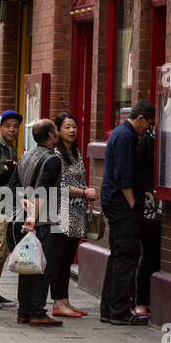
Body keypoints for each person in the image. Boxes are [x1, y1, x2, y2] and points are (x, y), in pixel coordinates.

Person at [99, 100, 156, 324]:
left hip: (114, 202)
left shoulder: (121, 134)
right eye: (148, 124)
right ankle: (119, 311)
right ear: (140, 118)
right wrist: (133, 204)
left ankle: (108, 310)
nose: (148, 129)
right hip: (121, 204)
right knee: (126, 257)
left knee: (117, 256)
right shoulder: (126, 137)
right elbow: (123, 175)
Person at [11, 119, 64, 326]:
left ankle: (23, 311)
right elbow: (43, 188)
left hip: (25, 221)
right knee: (42, 266)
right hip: (43, 221)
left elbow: (13, 184)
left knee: (26, 264)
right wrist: (34, 216)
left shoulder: (25, 156)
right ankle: (37, 312)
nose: (58, 133)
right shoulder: (53, 160)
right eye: (56, 131)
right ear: (51, 136)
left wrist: (22, 199)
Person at [49, 111, 96, 318]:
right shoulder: (57, 155)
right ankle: (57, 302)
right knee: (59, 257)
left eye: (74, 127)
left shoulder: (75, 153)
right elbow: (60, 186)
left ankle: (65, 300)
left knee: (68, 257)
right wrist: (85, 192)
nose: (72, 131)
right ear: (57, 131)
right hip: (61, 211)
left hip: (76, 211)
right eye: (67, 127)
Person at [0, 110, 23, 309]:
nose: (12, 129)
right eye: (8, 125)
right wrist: (5, 172)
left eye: (15, 126)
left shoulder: (11, 148)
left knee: (3, 251)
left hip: (8, 205)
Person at [134, 118, 162, 317]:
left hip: (153, 201)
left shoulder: (148, 138)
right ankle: (142, 301)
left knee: (151, 252)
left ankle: (145, 300)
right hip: (149, 204)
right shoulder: (147, 141)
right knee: (149, 252)